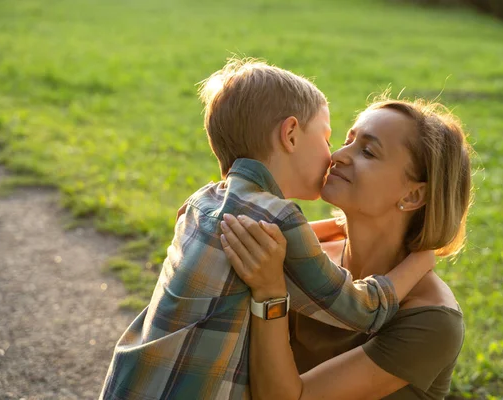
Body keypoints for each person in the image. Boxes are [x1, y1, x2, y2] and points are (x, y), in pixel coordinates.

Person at [99, 60, 435, 400]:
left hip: (129, 383)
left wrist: (334, 228)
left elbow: (280, 243)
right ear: (290, 134)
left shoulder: (202, 202)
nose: (333, 155)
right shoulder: (281, 218)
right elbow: (362, 311)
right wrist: (421, 259)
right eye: (327, 137)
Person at [220, 98, 472, 399]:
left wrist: (270, 295)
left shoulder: (431, 320)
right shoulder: (304, 255)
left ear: (414, 194)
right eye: (346, 141)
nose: (337, 155)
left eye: (368, 151)